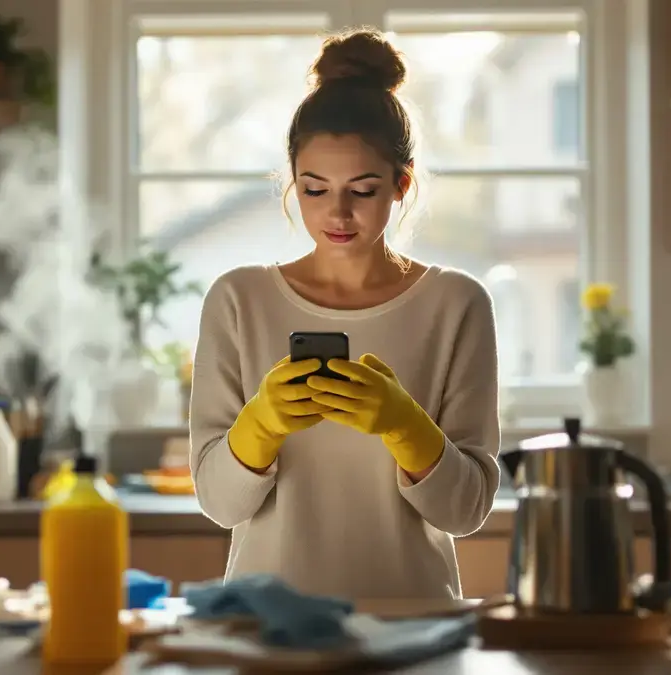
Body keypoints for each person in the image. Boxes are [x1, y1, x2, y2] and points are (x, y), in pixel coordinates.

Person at [188, 28, 501, 601]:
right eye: (315, 190)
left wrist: (406, 426)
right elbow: (219, 504)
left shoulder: (457, 303)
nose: (337, 213)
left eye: (362, 189)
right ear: (293, 183)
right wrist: (261, 424)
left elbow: (466, 511)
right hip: (269, 623)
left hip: (413, 621)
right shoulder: (237, 300)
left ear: (401, 185)